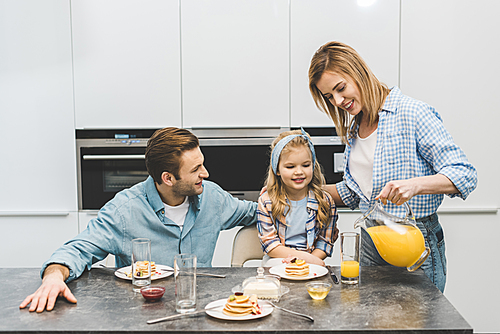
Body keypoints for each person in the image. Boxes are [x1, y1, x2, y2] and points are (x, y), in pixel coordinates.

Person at [20, 127, 257, 312]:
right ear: (168, 178)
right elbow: (79, 248)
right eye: (196, 169)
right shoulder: (124, 211)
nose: (205, 173)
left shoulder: (212, 197)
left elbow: (257, 212)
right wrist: (52, 278)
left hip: (198, 310)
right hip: (140, 316)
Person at [308, 41, 477, 292]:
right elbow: (357, 193)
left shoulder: (412, 112)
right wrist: (299, 190)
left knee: (418, 326)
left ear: (358, 71)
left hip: (414, 240)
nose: (339, 101)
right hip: (371, 241)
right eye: (330, 96)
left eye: (340, 88)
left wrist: (414, 186)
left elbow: (465, 174)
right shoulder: (355, 129)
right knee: (371, 326)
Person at [257, 128, 338, 267]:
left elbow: (325, 241)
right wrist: (303, 259)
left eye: (306, 165)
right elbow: (270, 245)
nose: (299, 172)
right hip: (277, 262)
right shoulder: (266, 201)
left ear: (313, 165)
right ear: (277, 169)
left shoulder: (325, 201)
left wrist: (308, 262)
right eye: (290, 166)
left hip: (313, 265)